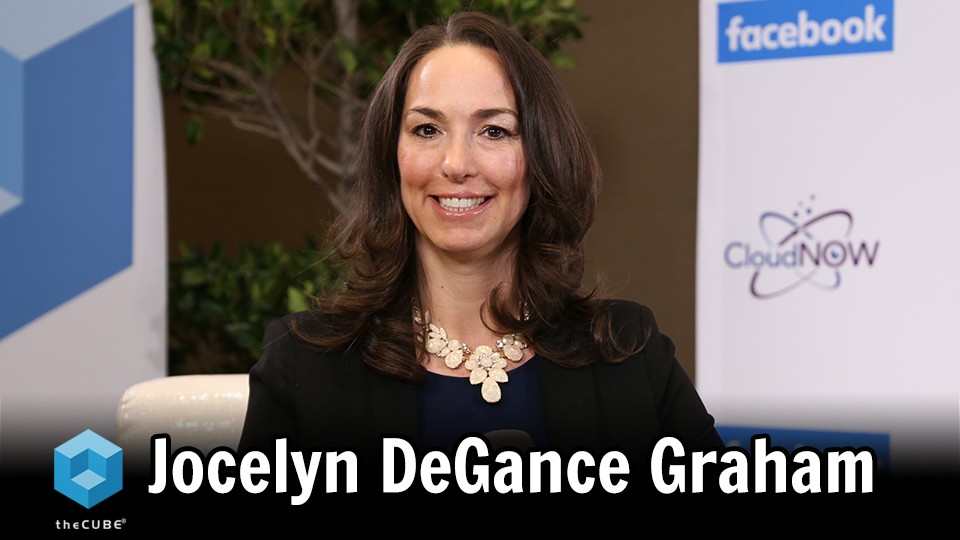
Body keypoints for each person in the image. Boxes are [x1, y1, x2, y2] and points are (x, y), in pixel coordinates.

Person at [239, 11, 721, 487]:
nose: (456, 164)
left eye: (494, 131)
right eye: (427, 130)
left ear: (541, 155)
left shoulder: (628, 351)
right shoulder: (302, 363)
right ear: (392, 156)